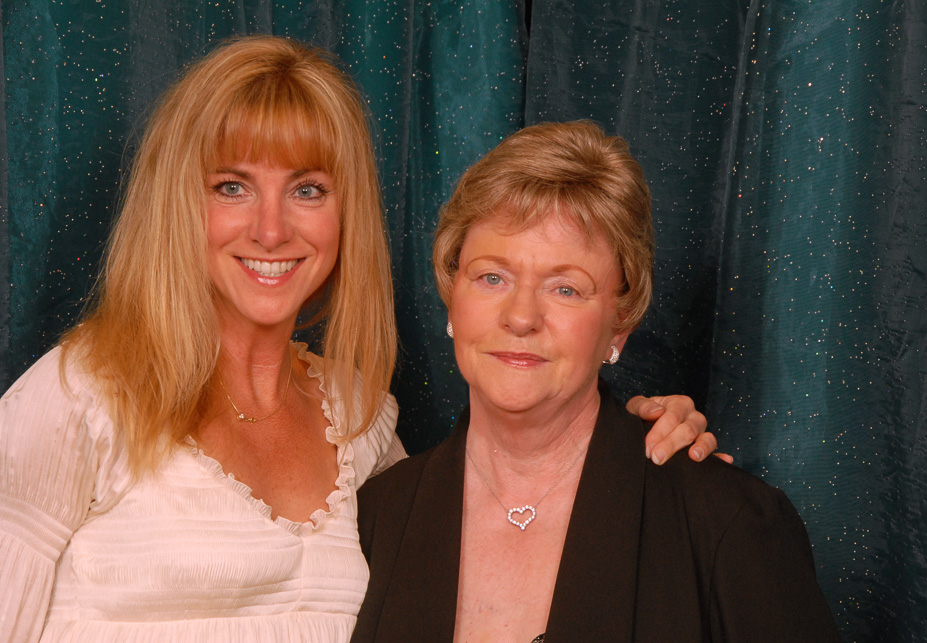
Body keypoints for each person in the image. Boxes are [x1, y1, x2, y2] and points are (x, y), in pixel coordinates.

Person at [0, 38, 716, 641]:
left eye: (308, 189)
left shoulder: (361, 419)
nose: (272, 229)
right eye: (232, 187)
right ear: (176, 201)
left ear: (347, 212)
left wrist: (637, 440)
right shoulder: (79, 396)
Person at [352, 121, 841, 642]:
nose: (521, 317)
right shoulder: (378, 513)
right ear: (453, 294)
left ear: (621, 322)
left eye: (565, 289)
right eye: (492, 277)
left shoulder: (726, 521)